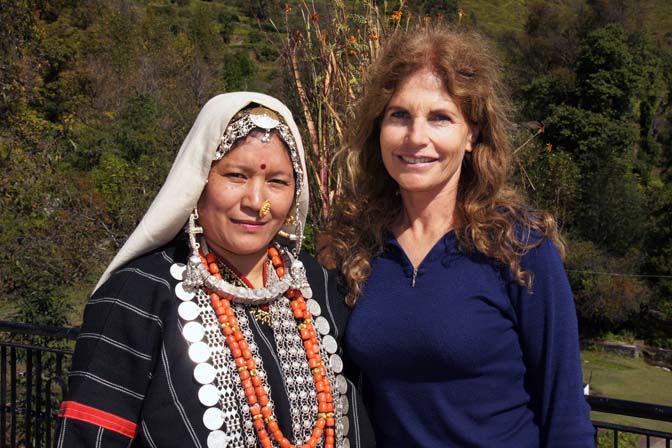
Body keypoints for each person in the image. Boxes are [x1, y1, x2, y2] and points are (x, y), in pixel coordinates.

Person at [324, 27, 595, 447]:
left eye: (440, 117)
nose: (416, 137)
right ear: (378, 129)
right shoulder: (356, 244)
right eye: (399, 115)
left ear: (472, 135)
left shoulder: (519, 245)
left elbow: (565, 412)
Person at [55, 92, 373, 448]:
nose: (257, 202)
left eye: (278, 181)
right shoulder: (138, 294)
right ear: (199, 181)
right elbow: (89, 435)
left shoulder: (320, 287)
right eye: (236, 175)